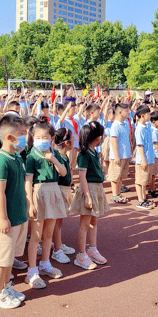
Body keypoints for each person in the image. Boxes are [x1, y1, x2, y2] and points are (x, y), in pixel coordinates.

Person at [0, 113, 30, 309]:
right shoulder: (1, 161)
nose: (25, 137)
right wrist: (3, 218)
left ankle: (5, 287)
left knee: (9, 260)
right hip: (6, 220)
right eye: (21, 133)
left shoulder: (16, 157)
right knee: (1, 260)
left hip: (18, 217)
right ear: (8, 137)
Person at [25, 119, 68, 289]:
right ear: (33, 137)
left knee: (48, 234)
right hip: (38, 192)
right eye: (38, 137)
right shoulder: (31, 156)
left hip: (54, 191)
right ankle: (32, 271)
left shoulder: (55, 154)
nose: (41, 140)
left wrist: (53, 160)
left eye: (45, 137)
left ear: (51, 138)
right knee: (35, 235)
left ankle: (45, 263)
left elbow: (63, 172)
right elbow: (28, 181)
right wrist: (30, 203)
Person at [69, 121, 109, 270]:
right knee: (85, 224)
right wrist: (87, 196)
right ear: (98, 138)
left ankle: (92, 248)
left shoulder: (94, 152)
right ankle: (81, 254)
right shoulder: (84, 154)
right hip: (89, 190)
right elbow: (82, 177)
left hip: (97, 188)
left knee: (94, 221)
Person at [51, 127, 76, 264]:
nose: (74, 140)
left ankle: (58, 243)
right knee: (57, 221)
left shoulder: (65, 155)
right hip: (59, 190)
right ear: (66, 142)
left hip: (64, 189)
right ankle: (57, 250)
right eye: (72, 138)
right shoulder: (57, 155)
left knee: (60, 221)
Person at [107, 103, 132, 204]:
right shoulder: (115, 125)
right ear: (120, 112)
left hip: (125, 155)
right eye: (126, 111)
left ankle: (118, 193)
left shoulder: (125, 123)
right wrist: (116, 156)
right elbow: (114, 141)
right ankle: (114, 195)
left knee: (121, 176)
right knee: (115, 176)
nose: (128, 112)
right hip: (117, 156)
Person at [134, 105, 154, 210]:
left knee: (145, 180)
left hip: (149, 158)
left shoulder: (147, 126)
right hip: (143, 159)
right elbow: (140, 145)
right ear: (142, 115)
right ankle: (140, 200)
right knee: (140, 180)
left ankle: (144, 198)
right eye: (148, 114)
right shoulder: (139, 129)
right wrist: (143, 159)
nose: (150, 116)